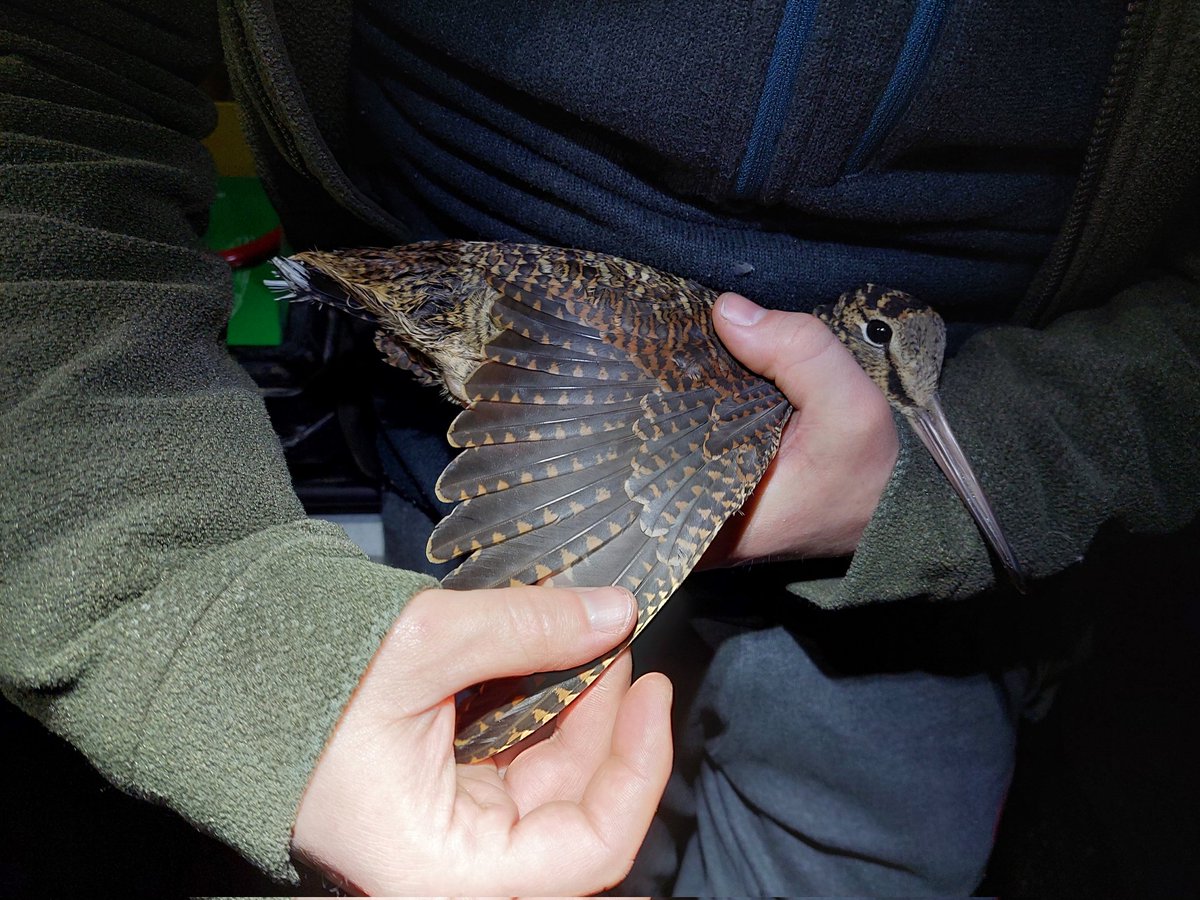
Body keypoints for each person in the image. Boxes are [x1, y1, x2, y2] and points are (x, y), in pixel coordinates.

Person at [2, 0, 1198, 895]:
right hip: (442, 375)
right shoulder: (705, 410)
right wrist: (245, 651)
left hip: (928, 533)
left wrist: (964, 471)